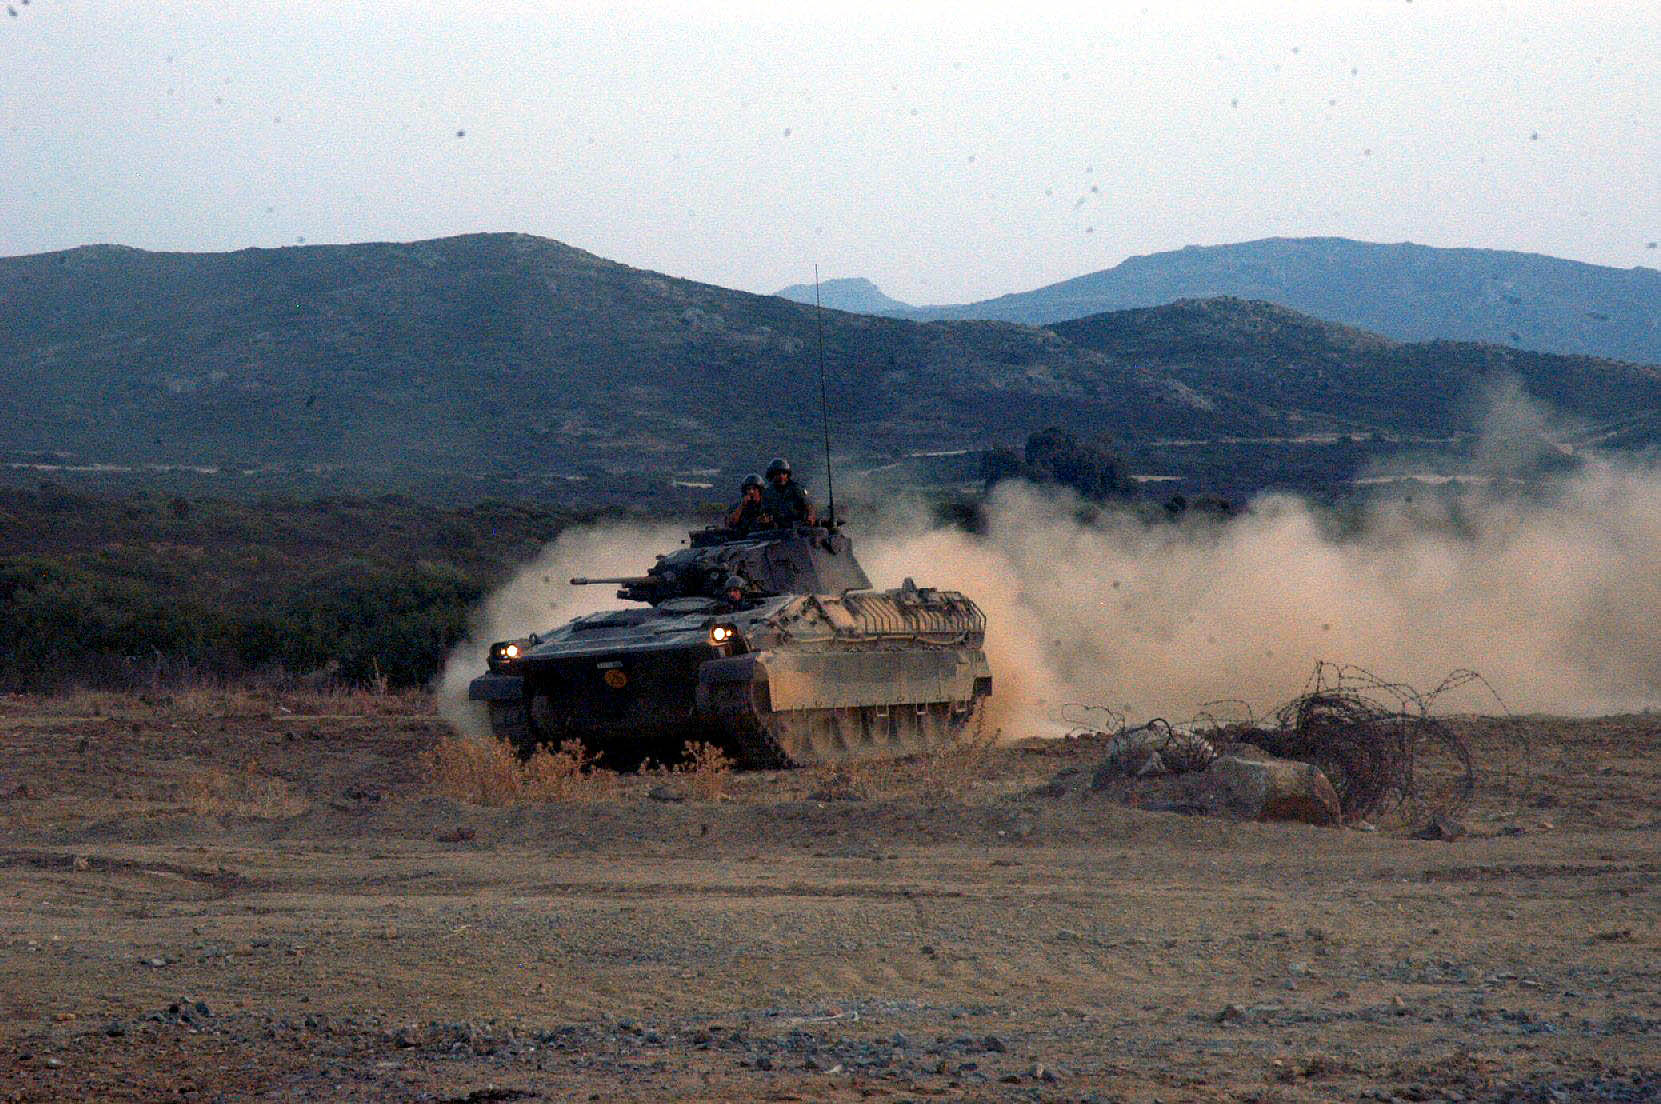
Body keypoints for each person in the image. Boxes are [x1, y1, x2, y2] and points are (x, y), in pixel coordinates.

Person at [760, 457, 815, 527]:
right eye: (777, 474)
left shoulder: (796, 489)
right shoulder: (767, 493)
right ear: (772, 475)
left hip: (797, 527)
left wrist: (810, 516)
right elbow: (764, 512)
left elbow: (808, 506)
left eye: (784, 473)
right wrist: (765, 519)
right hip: (776, 529)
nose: (781, 476)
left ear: (787, 475)